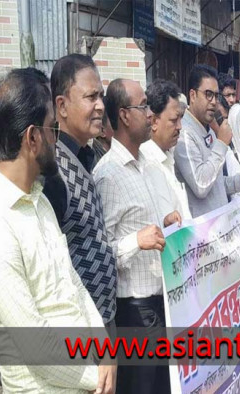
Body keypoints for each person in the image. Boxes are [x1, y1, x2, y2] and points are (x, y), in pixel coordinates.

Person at [0, 67, 115, 394]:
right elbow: (35, 346)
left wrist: (105, 354)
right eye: (53, 128)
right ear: (32, 138)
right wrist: (98, 376)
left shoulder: (38, 201)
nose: (56, 139)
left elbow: (72, 285)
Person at [96, 78, 183, 394]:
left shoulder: (149, 165)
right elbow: (100, 250)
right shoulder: (107, 175)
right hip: (134, 308)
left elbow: (149, 221)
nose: (150, 114)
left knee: (164, 385)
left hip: (162, 299)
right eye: (143, 106)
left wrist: (168, 222)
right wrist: (137, 241)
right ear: (123, 115)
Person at [42, 54, 118, 325]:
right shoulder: (52, 172)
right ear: (61, 105)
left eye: (101, 96)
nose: (100, 106)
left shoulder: (90, 155)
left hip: (104, 317)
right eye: (90, 97)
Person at [175, 65, 240, 218]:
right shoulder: (184, 134)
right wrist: (221, 143)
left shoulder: (210, 131)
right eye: (208, 94)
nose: (213, 102)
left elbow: (216, 184)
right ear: (192, 95)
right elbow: (201, 185)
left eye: (216, 96)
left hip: (220, 226)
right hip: (202, 233)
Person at [142, 79, 191, 220]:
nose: (180, 126)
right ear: (154, 122)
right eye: (174, 120)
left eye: (181, 119)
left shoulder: (168, 155)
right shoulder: (147, 162)